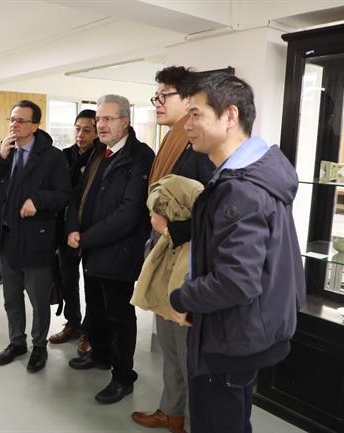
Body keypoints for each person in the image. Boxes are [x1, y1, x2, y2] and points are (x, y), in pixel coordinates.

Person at [168, 72, 305, 433]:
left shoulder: (241, 188)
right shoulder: (247, 176)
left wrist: (183, 297)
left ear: (230, 116)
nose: (187, 125)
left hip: (231, 337)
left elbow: (236, 281)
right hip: (238, 330)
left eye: (196, 114)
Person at [131, 66, 214, 433]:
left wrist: (172, 228)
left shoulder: (201, 148)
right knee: (168, 343)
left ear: (189, 99)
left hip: (188, 259)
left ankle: (193, 423)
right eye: (156, 96)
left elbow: (214, 213)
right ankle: (172, 412)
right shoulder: (172, 142)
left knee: (186, 350)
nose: (157, 103)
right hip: (166, 252)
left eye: (165, 95)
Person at [66, 94, 155, 404]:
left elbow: (129, 214)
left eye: (107, 119)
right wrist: (72, 228)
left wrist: (85, 237)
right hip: (91, 249)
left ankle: (123, 376)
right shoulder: (98, 152)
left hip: (118, 252)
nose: (100, 124)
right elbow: (77, 194)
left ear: (125, 122)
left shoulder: (140, 156)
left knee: (119, 317)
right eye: (98, 119)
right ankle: (101, 355)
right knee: (96, 309)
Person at [0, 100, 70, 373]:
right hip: (7, 238)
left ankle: (39, 346)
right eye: (12, 120)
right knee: (11, 298)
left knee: (38, 299)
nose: (14, 125)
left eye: (21, 121)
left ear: (35, 126)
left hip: (37, 239)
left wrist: (38, 201)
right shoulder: (4, 153)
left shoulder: (53, 157)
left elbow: (64, 195)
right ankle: (16, 342)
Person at [48, 109, 99, 357]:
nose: (80, 135)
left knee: (92, 283)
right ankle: (73, 322)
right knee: (68, 278)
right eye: (77, 129)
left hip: (91, 229)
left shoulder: (101, 158)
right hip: (65, 229)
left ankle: (90, 330)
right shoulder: (64, 156)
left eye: (87, 130)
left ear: (97, 132)